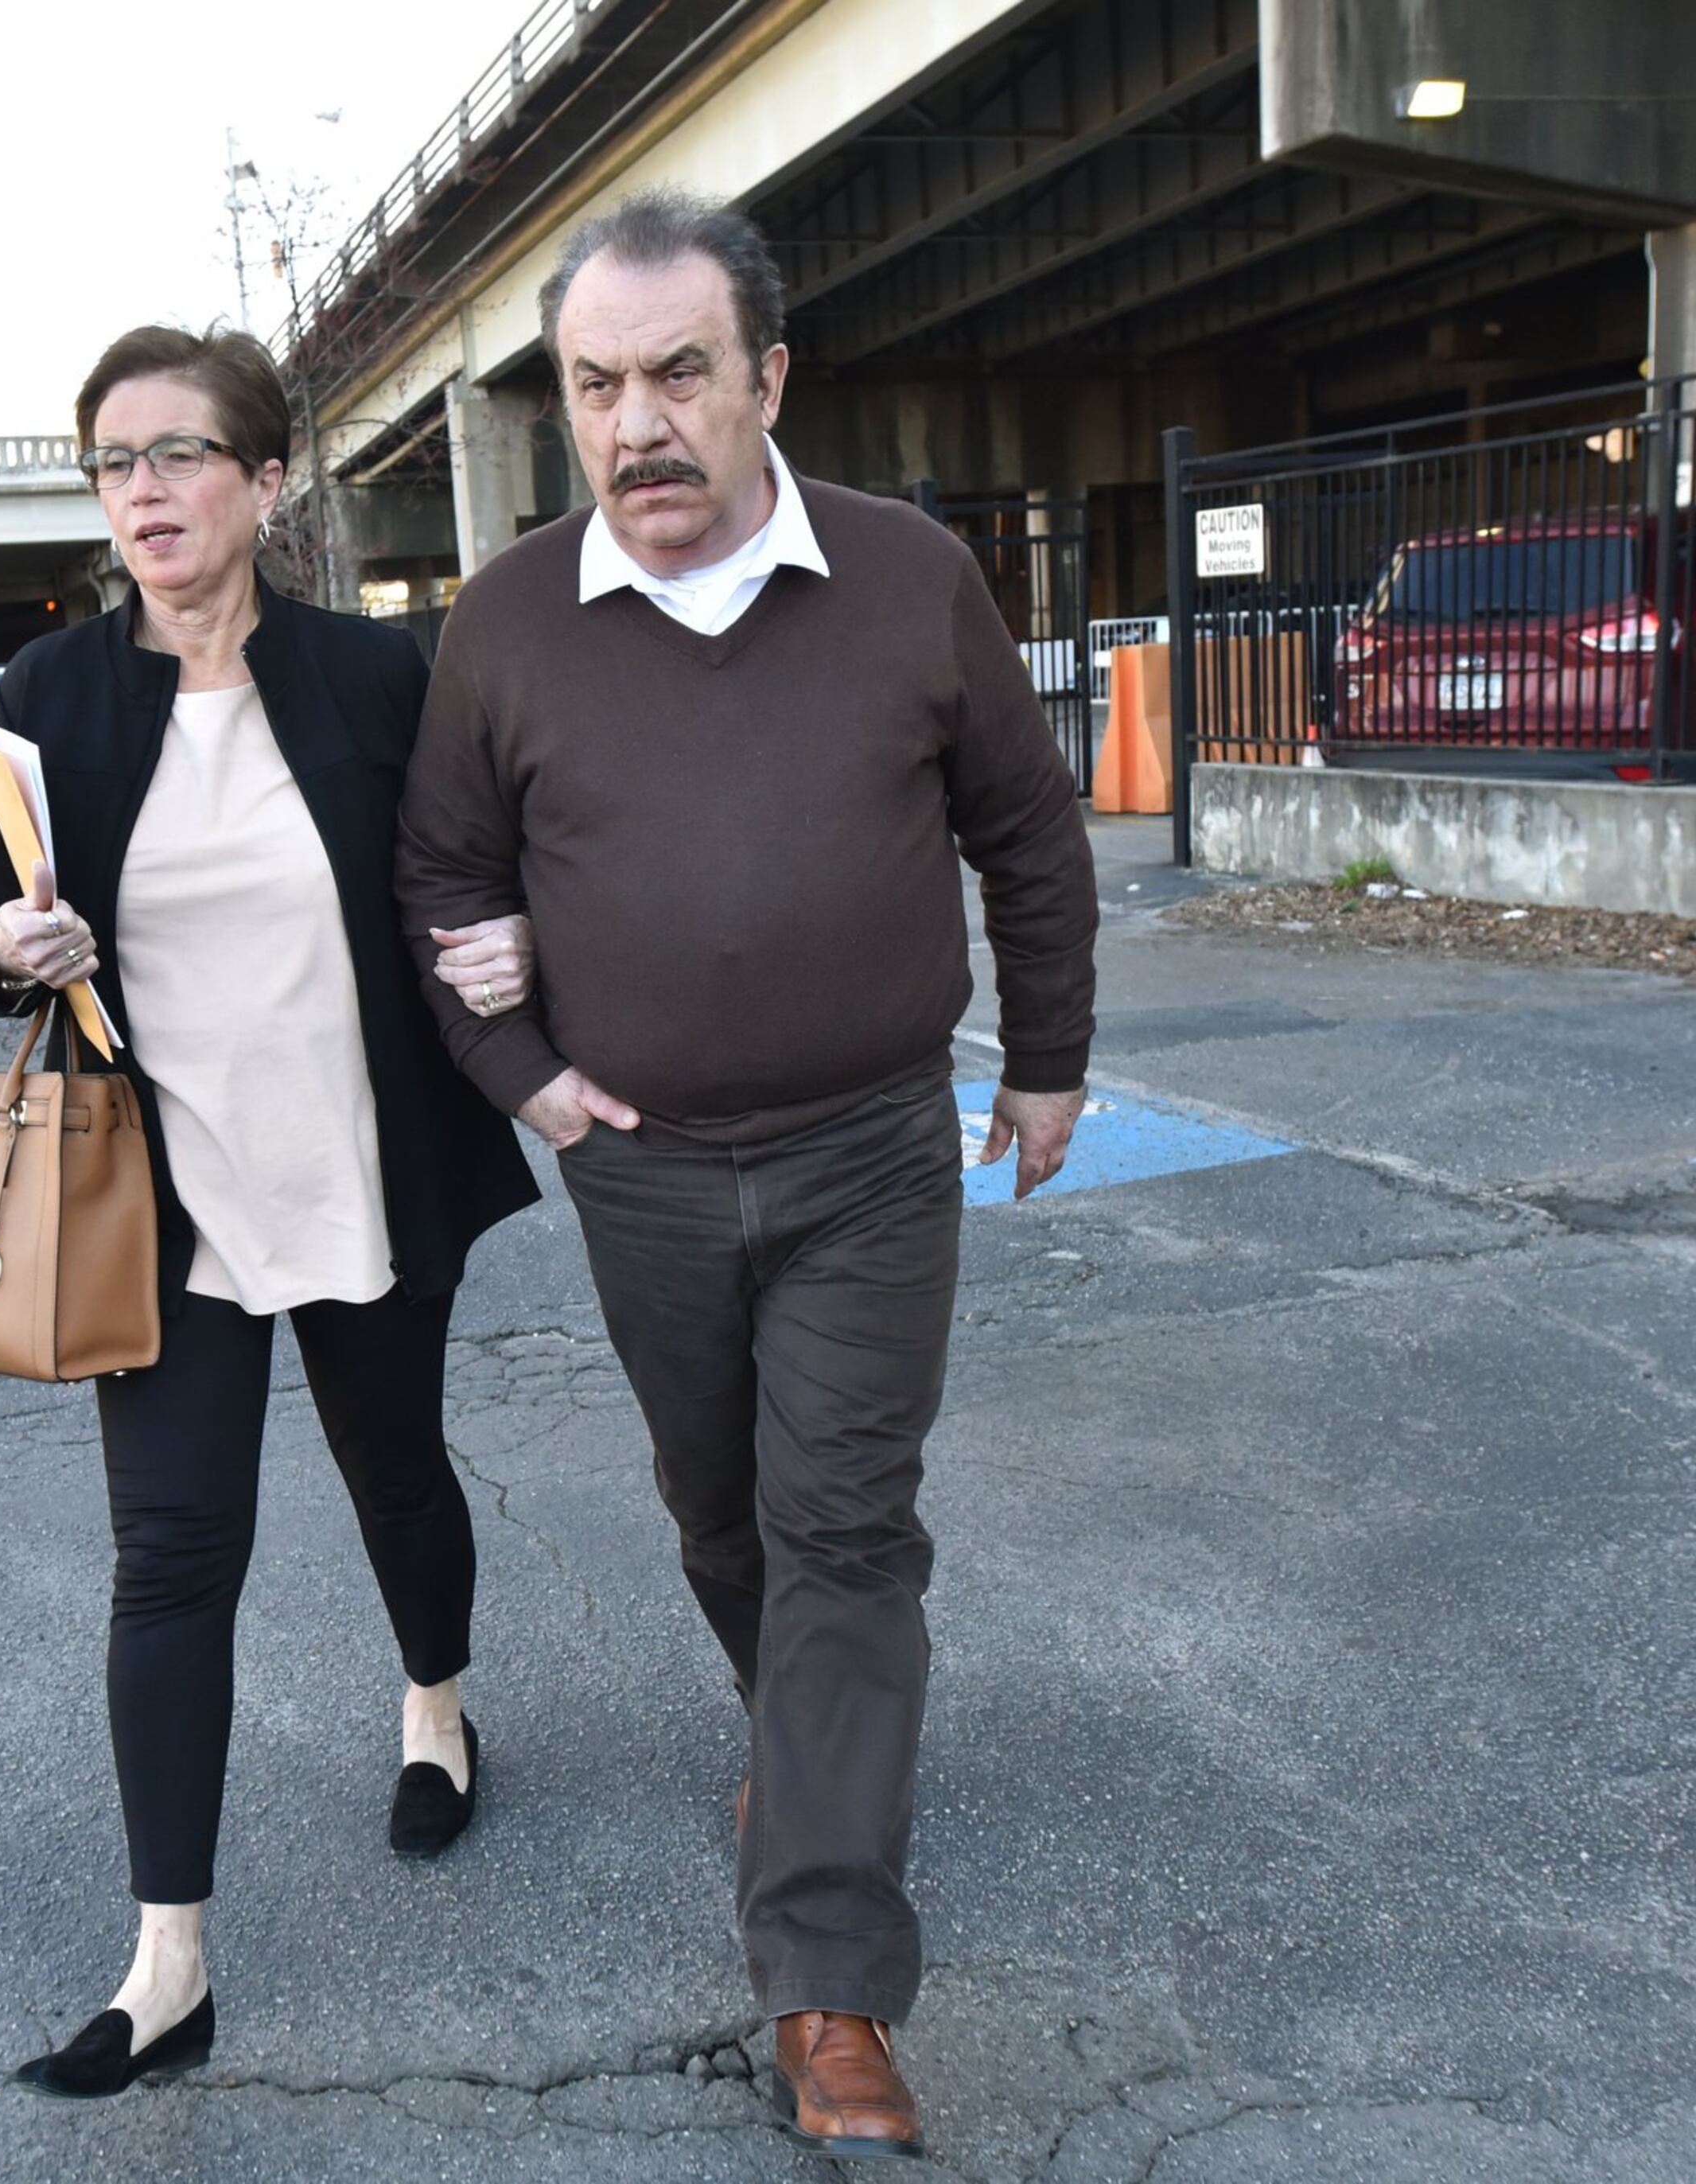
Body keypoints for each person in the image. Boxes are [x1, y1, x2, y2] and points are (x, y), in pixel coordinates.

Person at [395, 191, 1101, 2159]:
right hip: (638, 1173)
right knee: (725, 1517)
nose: (639, 425)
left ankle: (825, 1982)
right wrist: (520, 1073)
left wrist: (1045, 1057)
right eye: (596, 385)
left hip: (873, 1149)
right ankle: (805, 1747)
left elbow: (1026, 833)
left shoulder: (905, 577)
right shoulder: (507, 620)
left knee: (844, 1525)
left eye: (679, 373)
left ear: (766, 377)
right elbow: (443, 874)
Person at [0, 325, 539, 2100]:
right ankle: (168, 1958)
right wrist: (10, 948)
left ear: (266, 480)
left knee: (398, 1470)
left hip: (360, 1158)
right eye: (115, 461)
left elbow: (471, 870)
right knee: (173, 1553)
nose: (145, 488)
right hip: (167, 1193)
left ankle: (436, 1702)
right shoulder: (52, 694)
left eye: (181, 452)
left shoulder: (377, 673)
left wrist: (524, 951)